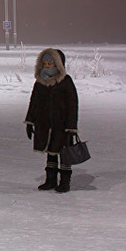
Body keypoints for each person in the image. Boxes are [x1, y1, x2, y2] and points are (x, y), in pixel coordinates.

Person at [24, 48, 78, 193]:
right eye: (45, 63)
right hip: (44, 124)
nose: (47, 66)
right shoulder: (40, 82)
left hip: (61, 125)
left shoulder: (65, 81)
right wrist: (30, 121)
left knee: (63, 153)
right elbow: (34, 102)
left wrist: (71, 127)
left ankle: (65, 182)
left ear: (59, 64)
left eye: (50, 63)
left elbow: (73, 104)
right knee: (50, 151)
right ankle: (51, 180)